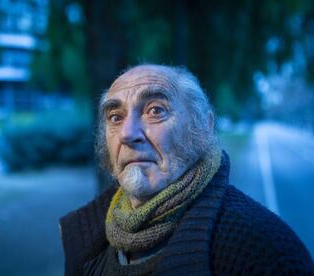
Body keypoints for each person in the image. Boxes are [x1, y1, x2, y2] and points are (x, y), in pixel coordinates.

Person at [60, 64, 314, 275]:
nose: (127, 134)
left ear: (204, 127)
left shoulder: (265, 249)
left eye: (155, 110)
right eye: (115, 117)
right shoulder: (84, 244)